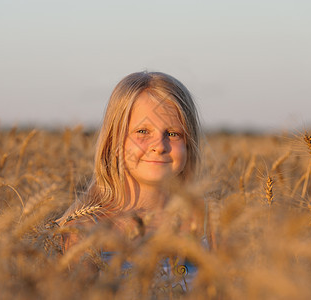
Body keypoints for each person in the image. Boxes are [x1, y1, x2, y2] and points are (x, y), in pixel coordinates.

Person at [56, 71, 206, 290]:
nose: (159, 145)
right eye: (143, 131)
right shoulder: (83, 231)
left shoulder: (207, 221)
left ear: (189, 143)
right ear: (114, 141)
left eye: (173, 133)